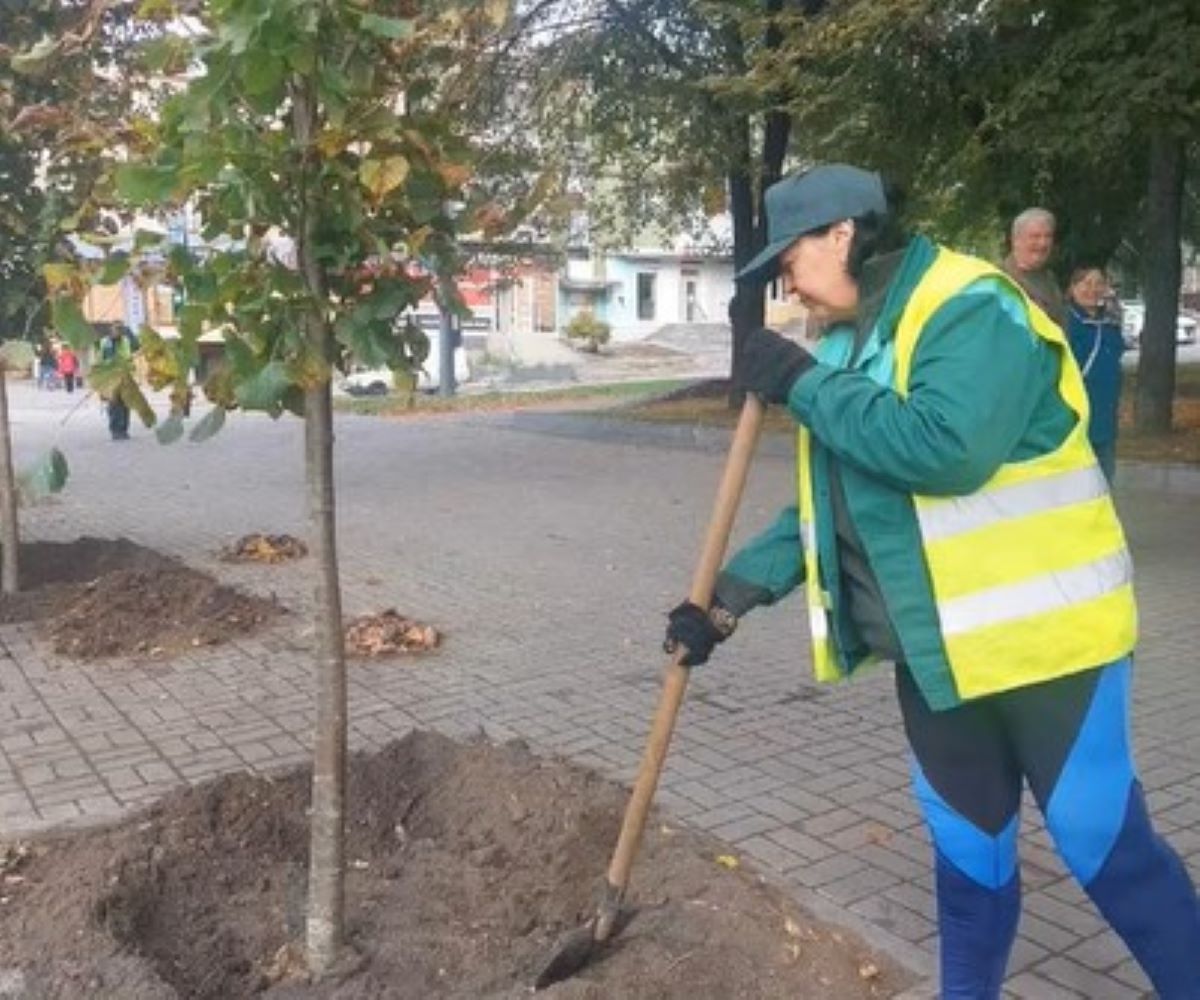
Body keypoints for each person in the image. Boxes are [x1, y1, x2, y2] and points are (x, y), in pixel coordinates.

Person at [663, 164, 1200, 999]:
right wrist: (728, 600)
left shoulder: (971, 307)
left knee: (1107, 853)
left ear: (840, 234)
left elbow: (946, 449)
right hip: (940, 659)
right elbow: (835, 501)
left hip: (1051, 650)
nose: (787, 286)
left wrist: (803, 384)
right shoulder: (849, 345)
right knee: (968, 866)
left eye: (788, 261)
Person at [1065, 266, 1125, 483]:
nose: (1093, 289)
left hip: (1105, 420)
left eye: (1098, 283)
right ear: (1072, 288)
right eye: (1086, 283)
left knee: (1104, 485)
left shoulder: (1110, 324)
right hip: (1075, 422)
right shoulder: (1065, 324)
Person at [1002, 207, 1067, 328]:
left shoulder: (1049, 278)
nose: (1043, 243)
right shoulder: (1000, 279)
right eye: (1035, 236)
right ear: (1016, 240)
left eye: (1047, 236)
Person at [100, 325, 138, 440]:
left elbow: (133, 351)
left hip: (126, 377)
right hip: (111, 377)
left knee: (125, 405)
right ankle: (115, 430)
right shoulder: (105, 342)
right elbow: (102, 360)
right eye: (114, 331)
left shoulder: (126, 341)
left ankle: (124, 429)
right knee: (114, 405)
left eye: (119, 331)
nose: (117, 333)